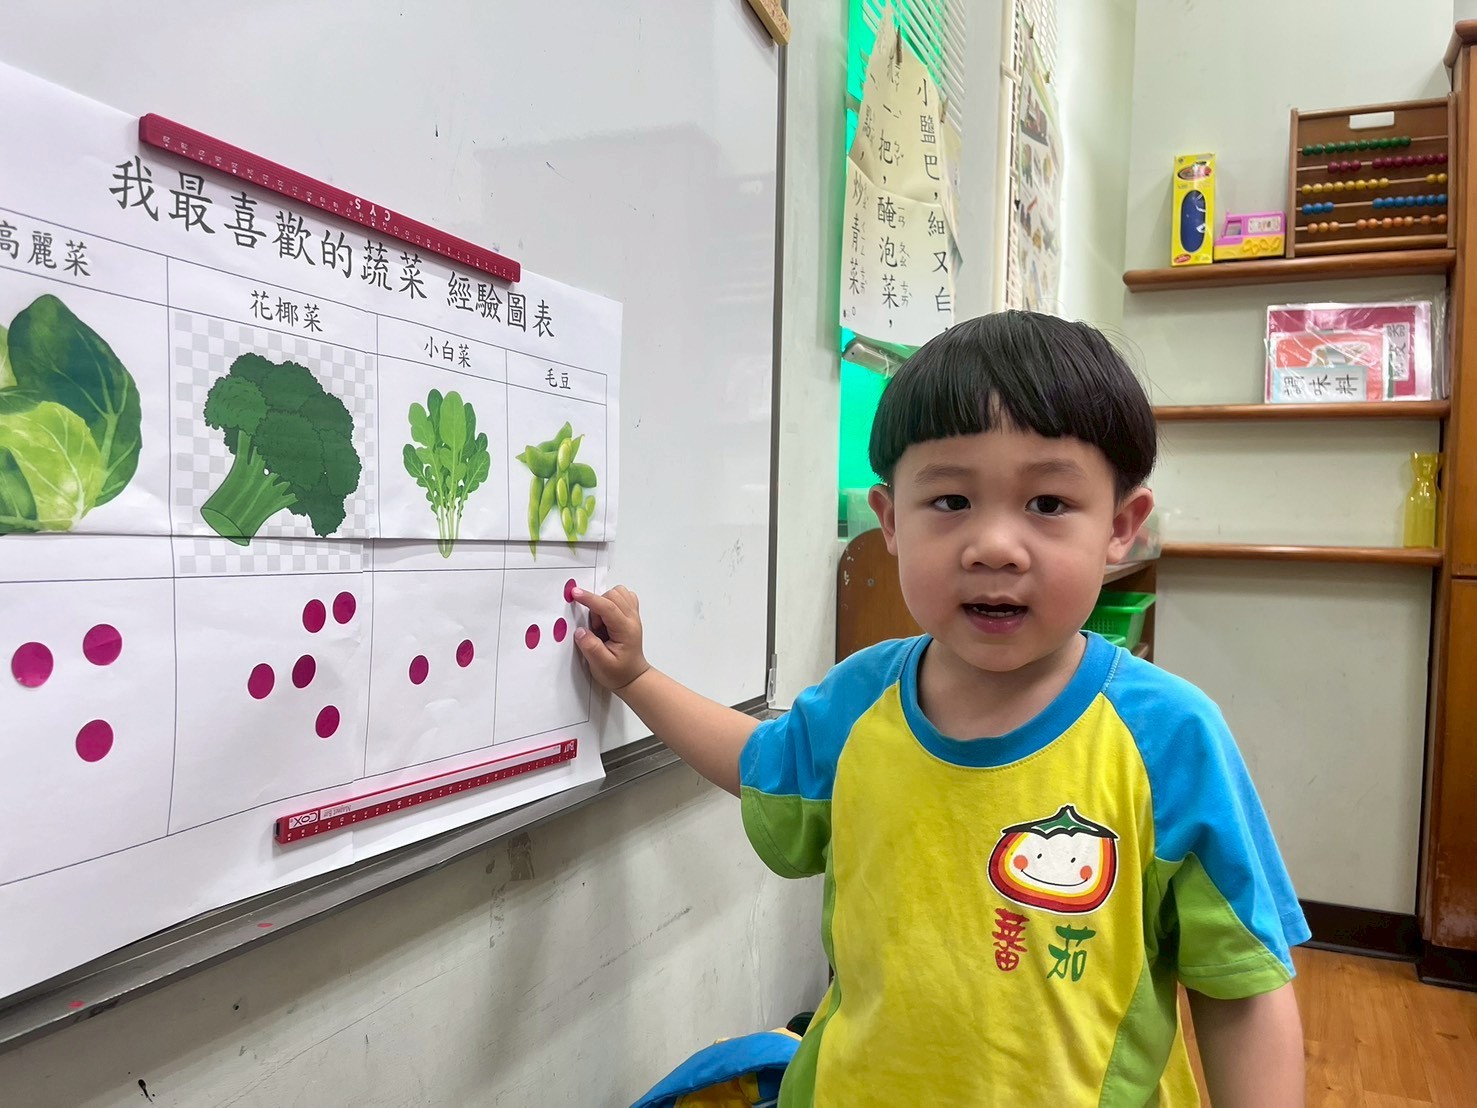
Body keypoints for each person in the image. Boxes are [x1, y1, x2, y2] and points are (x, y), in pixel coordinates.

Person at [573, 312, 1309, 1106]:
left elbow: (1241, 988)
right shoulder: (861, 700)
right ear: (891, 521)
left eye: (1048, 503)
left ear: (1118, 528)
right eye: (950, 499)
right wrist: (636, 679)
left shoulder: (1171, 738)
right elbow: (760, 763)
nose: (993, 545)